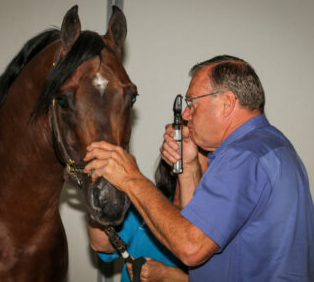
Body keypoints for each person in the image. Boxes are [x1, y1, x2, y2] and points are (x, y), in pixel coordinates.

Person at [84, 55, 314, 281]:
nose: (185, 114)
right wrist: (189, 166)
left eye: (192, 103)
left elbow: (191, 247)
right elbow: (201, 227)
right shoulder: (272, 147)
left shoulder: (245, 155)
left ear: (227, 103)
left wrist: (131, 178)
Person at [88, 151, 208, 282]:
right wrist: (96, 194)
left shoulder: (220, 219)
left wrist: (169, 276)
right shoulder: (149, 203)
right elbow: (102, 245)